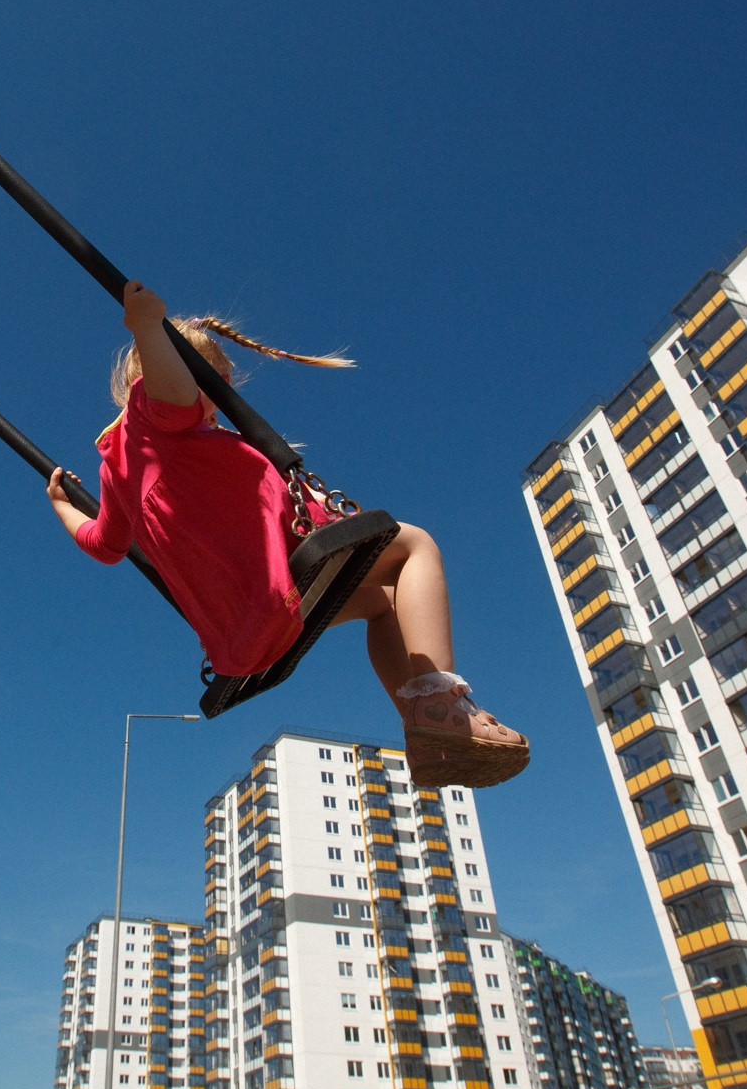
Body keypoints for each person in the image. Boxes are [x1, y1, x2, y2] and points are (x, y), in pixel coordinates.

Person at [45, 282, 527, 789]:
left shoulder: (120, 472)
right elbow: (174, 396)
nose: (224, 389)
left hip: (248, 631)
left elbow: (105, 545)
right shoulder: (150, 419)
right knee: (416, 546)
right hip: (281, 580)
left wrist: (61, 507)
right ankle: (443, 705)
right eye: (214, 377)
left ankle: (423, 732)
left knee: (384, 604)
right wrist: (146, 327)